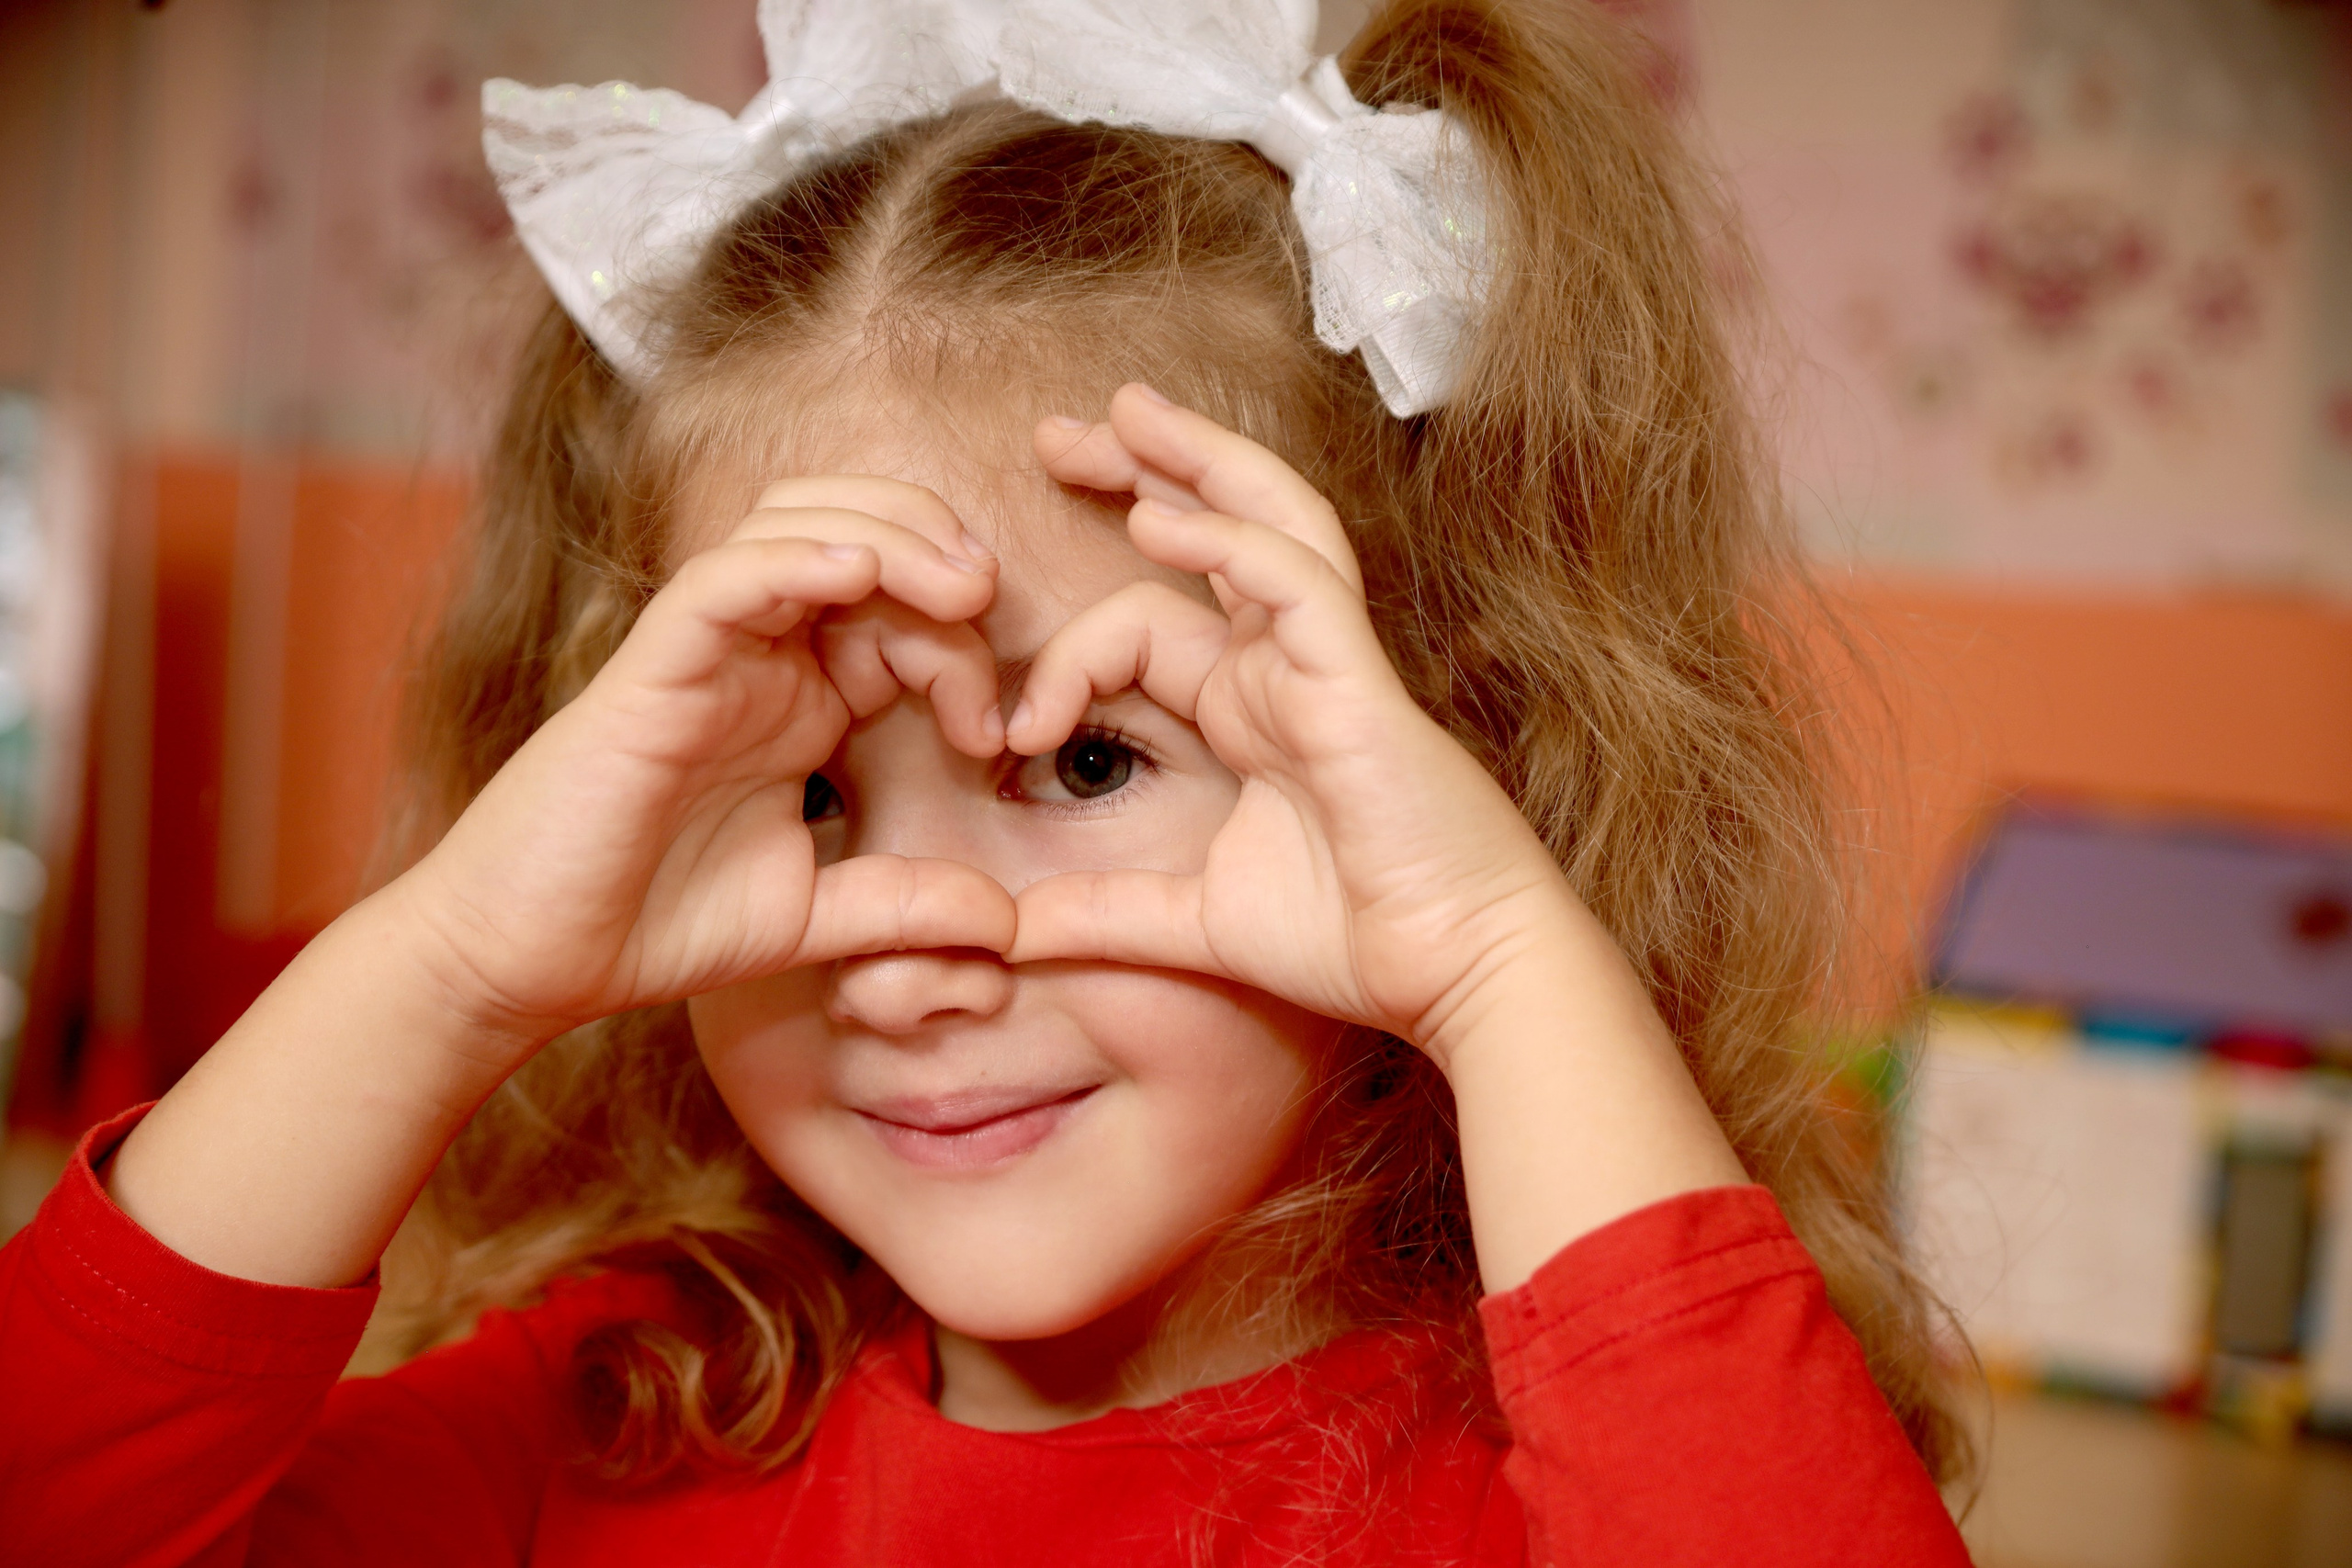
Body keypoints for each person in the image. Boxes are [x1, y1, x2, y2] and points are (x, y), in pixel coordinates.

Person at [0, 0, 1976, 1562]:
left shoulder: (1540, 1488)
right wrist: (443, 962)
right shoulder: (607, 1423)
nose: (909, 951)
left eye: (1089, 754)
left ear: (1452, 752)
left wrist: (1489, 954)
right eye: (809, 798)